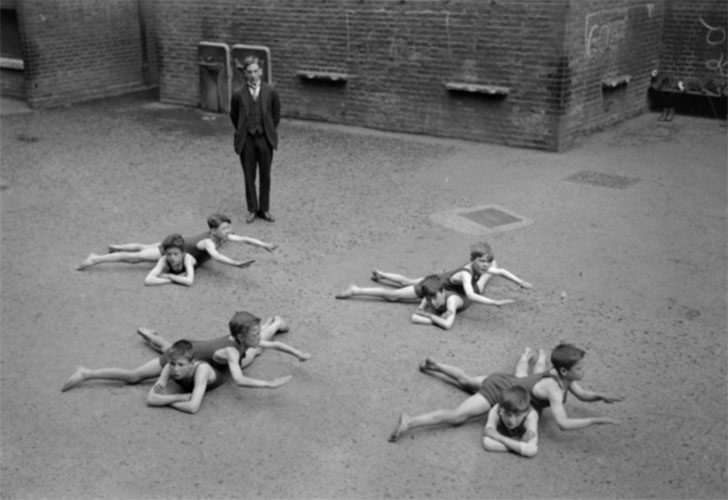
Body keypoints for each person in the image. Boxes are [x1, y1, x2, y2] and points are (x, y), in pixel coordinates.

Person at [388, 344, 622, 443]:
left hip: (508, 380)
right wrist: (596, 420)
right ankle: (411, 421)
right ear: (564, 370)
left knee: (466, 380)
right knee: (458, 416)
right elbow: (563, 423)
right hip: (501, 390)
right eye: (580, 368)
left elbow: (583, 394)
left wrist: (600, 396)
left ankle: (437, 366)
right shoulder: (553, 386)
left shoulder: (565, 378)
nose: (584, 371)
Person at [61, 311, 310, 393]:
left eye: (259, 331)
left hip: (196, 350)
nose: (257, 336)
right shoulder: (233, 352)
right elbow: (240, 380)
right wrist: (269, 384)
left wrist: (297, 353)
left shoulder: (244, 340)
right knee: (135, 376)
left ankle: (275, 323)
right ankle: (86, 373)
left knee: (256, 351)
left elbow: (273, 345)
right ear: (241, 336)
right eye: (254, 333)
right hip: (188, 353)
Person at [335, 242, 531, 309]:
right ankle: (356, 289)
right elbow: (470, 295)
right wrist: (494, 303)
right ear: (472, 260)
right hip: (435, 285)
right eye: (482, 262)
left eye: (488, 262)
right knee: (393, 296)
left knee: (406, 281)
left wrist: (520, 282)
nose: (486, 266)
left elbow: (501, 271)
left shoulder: (482, 268)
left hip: (440, 279)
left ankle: (382, 274)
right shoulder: (465, 275)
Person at [77, 213, 276, 271]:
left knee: (143, 246)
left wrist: (264, 245)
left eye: (228, 228)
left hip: (177, 241)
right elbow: (216, 256)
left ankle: (117, 247)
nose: (229, 231)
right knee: (136, 258)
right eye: (224, 228)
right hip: (174, 247)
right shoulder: (209, 243)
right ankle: (97, 259)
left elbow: (245, 239)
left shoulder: (221, 236)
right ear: (214, 230)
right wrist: (235, 264)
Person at [230, 55, 281, 223]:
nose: (252, 75)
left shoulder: (270, 91)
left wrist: (267, 130)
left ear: (260, 72)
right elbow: (234, 117)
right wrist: (245, 130)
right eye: (249, 72)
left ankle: (264, 209)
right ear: (245, 74)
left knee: (265, 175)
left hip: (265, 139)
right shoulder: (238, 94)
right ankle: (252, 209)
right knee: (249, 176)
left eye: (255, 71)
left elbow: (275, 115)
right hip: (247, 140)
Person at [145, 340, 225, 414]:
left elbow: (192, 407)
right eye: (173, 364)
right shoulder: (169, 367)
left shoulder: (202, 369)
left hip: (220, 365)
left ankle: (152, 336)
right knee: (132, 377)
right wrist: (180, 397)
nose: (176, 369)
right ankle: (151, 337)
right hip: (187, 359)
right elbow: (151, 399)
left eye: (181, 365)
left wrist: (164, 400)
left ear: (192, 363)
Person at [483, 385, 539, 457]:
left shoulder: (531, 416)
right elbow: (487, 443)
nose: (511, 420)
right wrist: (520, 445)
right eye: (507, 414)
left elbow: (532, 450)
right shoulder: (496, 410)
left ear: (525, 413)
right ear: (501, 410)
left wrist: (498, 436)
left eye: (517, 416)